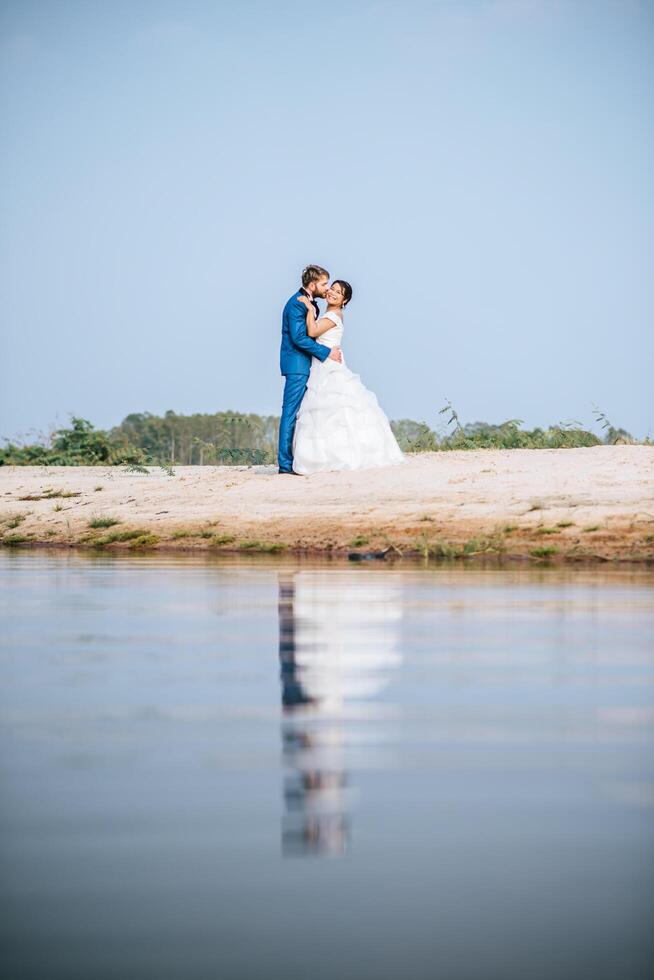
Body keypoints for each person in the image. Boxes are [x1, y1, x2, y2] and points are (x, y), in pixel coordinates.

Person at [291, 279, 404, 474]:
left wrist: (309, 309)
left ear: (344, 301)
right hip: (322, 364)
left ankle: (341, 456)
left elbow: (312, 331)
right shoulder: (328, 313)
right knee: (325, 414)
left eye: (338, 292)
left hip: (329, 367)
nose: (332, 293)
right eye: (332, 289)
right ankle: (326, 456)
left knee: (336, 411)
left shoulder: (334, 315)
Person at [277, 265, 343, 475]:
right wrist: (326, 352)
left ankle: (302, 459)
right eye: (324, 284)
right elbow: (299, 338)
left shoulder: (309, 303)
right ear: (312, 284)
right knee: (290, 412)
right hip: (297, 365)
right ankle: (285, 465)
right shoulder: (297, 304)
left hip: (308, 366)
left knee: (305, 414)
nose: (326, 289)